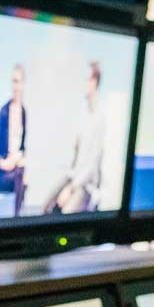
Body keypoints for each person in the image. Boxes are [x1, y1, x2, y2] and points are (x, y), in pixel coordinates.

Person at [43, 61, 105, 214]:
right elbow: (74, 156)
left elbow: (90, 167)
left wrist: (70, 189)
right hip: (73, 177)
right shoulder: (83, 115)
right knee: (46, 206)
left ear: (94, 82)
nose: (83, 84)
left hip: (86, 186)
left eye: (86, 79)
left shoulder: (100, 119)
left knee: (67, 213)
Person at [0, 63, 27, 216]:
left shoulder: (23, 112)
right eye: (13, 81)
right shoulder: (4, 111)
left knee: (23, 172)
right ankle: (14, 219)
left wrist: (19, 157)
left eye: (17, 81)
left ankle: (16, 217)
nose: (15, 86)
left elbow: (23, 146)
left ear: (23, 84)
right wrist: (2, 162)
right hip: (3, 171)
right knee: (21, 175)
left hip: (17, 169)